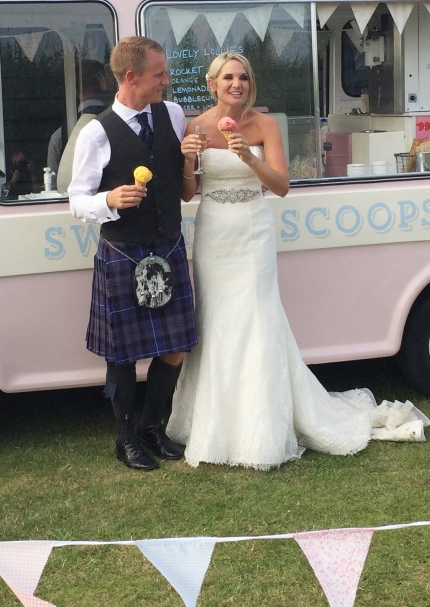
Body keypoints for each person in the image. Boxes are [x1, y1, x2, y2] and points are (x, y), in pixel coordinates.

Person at [167, 53, 398, 469]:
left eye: (243, 77)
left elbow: (283, 186)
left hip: (253, 232)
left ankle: (262, 427)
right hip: (215, 232)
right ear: (213, 84)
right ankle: (216, 423)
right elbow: (188, 193)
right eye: (228, 78)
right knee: (216, 319)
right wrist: (186, 159)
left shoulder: (264, 125)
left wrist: (248, 156)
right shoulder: (195, 126)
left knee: (257, 316)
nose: (236, 84)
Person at [68, 38, 202, 470]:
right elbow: (75, 200)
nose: (166, 80)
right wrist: (109, 199)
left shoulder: (174, 115)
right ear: (132, 77)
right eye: (159, 74)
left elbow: (181, 175)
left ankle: (151, 429)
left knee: (175, 348)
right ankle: (125, 439)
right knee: (123, 355)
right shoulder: (95, 132)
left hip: (169, 244)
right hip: (123, 252)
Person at [47, 60, 111, 173]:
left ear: (73, 89)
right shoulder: (121, 123)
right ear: (102, 82)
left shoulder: (59, 137)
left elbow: (54, 183)